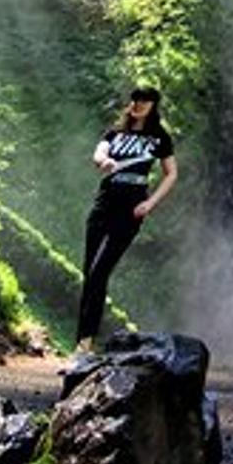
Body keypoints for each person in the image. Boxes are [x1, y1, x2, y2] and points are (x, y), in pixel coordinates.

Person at [76, 85, 178, 351]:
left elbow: (171, 173)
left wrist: (150, 203)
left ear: (154, 105)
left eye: (144, 100)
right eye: (135, 99)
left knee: (100, 271)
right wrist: (104, 161)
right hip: (104, 203)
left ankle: (85, 341)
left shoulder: (159, 137)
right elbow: (98, 152)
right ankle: (82, 342)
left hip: (131, 208)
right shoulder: (115, 132)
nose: (138, 104)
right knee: (90, 273)